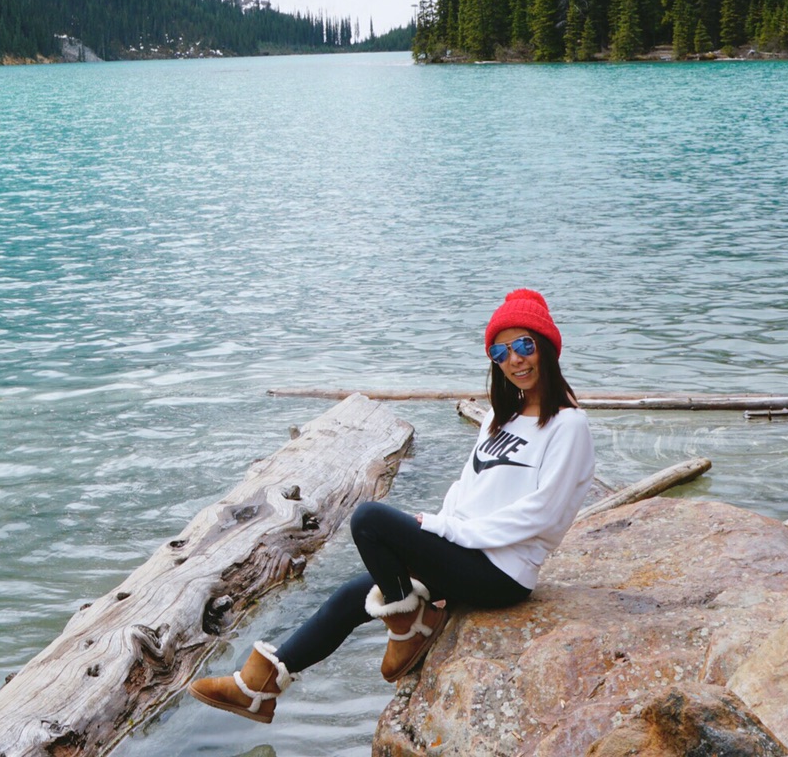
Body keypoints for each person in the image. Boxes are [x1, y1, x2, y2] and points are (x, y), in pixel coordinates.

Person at [188, 288, 594, 724]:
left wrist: (448, 533)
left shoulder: (568, 425)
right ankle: (259, 688)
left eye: (524, 346)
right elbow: (467, 488)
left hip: (503, 573)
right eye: (501, 351)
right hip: (467, 554)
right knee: (353, 594)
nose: (515, 360)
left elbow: (546, 514)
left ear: (547, 348)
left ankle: (410, 625)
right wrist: (441, 528)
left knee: (369, 519)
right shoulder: (499, 418)